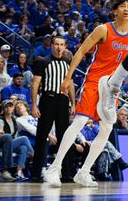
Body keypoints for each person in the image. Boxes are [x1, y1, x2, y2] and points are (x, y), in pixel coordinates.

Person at [43, 0, 128, 188]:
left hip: (113, 86)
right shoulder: (103, 29)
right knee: (79, 121)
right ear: (114, 11)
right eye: (122, 6)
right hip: (95, 81)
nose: (126, 9)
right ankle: (54, 168)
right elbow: (80, 52)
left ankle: (84, 171)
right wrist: (68, 77)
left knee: (106, 129)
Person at [30, 36, 73, 182]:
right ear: (52, 46)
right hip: (47, 99)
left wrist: (73, 103)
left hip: (62, 100)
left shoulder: (68, 62)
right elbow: (35, 84)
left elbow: (71, 84)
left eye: (62, 44)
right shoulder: (43, 61)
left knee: (64, 138)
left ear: (65, 46)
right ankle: (35, 174)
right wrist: (34, 105)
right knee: (42, 137)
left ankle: (66, 173)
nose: (59, 47)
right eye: (56, 44)